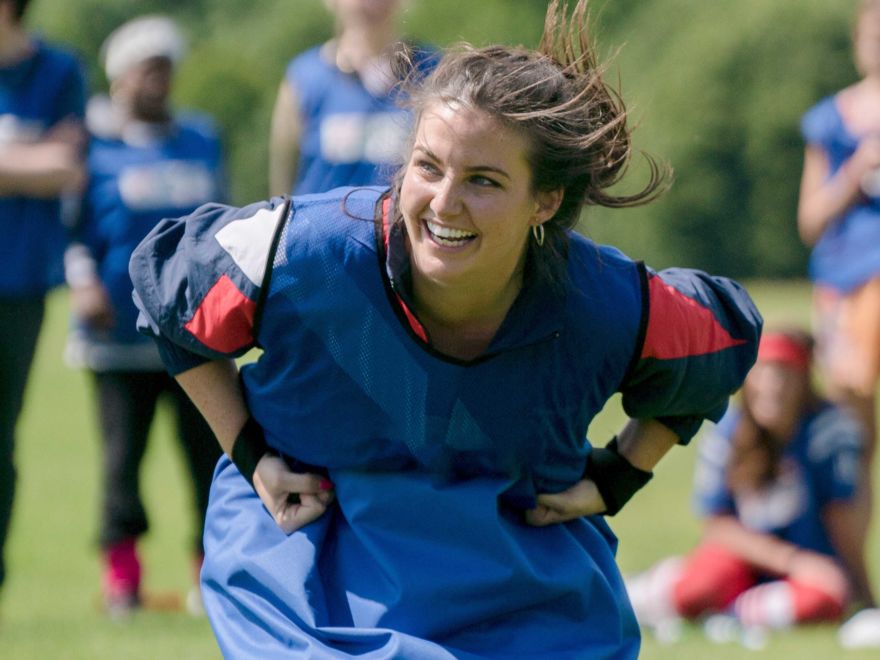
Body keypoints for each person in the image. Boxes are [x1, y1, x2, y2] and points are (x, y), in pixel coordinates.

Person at [130, 1, 761, 656]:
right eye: (428, 167)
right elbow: (171, 294)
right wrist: (250, 453)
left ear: (544, 200)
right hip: (311, 553)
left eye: (483, 180)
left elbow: (720, 345)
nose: (445, 202)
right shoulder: (307, 250)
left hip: (507, 561)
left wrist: (618, 477)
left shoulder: (600, 302)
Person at [64, 15, 223, 616]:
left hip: (193, 331)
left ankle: (211, 577)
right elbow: (73, 226)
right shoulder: (94, 145)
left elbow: (221, 226)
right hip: (117, 337)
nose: (158, 80)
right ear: (120, 77)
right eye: (146, 69)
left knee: (207, 458)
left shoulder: (202, 138)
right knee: (121, 461)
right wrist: (83, 283)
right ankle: (122, 581)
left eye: (166, 68)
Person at [626, 330, 871, 641]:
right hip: (745, 560)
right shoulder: (728, 430)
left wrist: (861, 588)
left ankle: (731, 615)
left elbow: (844, 516)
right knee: (698, 589)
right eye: (763, 375)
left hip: (812, 563)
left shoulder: (829, 431)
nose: (772, 387)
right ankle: (644, 594)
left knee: (825, 597)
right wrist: (790, 561)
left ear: (804, 381)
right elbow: (717, 526)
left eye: (784, 375)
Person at [0, 0, 86, 600]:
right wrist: (28, 161)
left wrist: (43, 162)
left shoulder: (58, 72)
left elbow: (68, 164)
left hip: (19, 285)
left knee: (1, 437)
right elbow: (46, 159)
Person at [798, 0, 880, 607]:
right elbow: (810, 221)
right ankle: (858, 588)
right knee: (853, 443)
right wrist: (855, 172)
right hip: (849, 288)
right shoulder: (830, 120)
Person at [268, 0, 435, 196]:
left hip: (398, 224)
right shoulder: (304, 79)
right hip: (320, 224)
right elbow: (282, 181)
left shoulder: (433, 74)